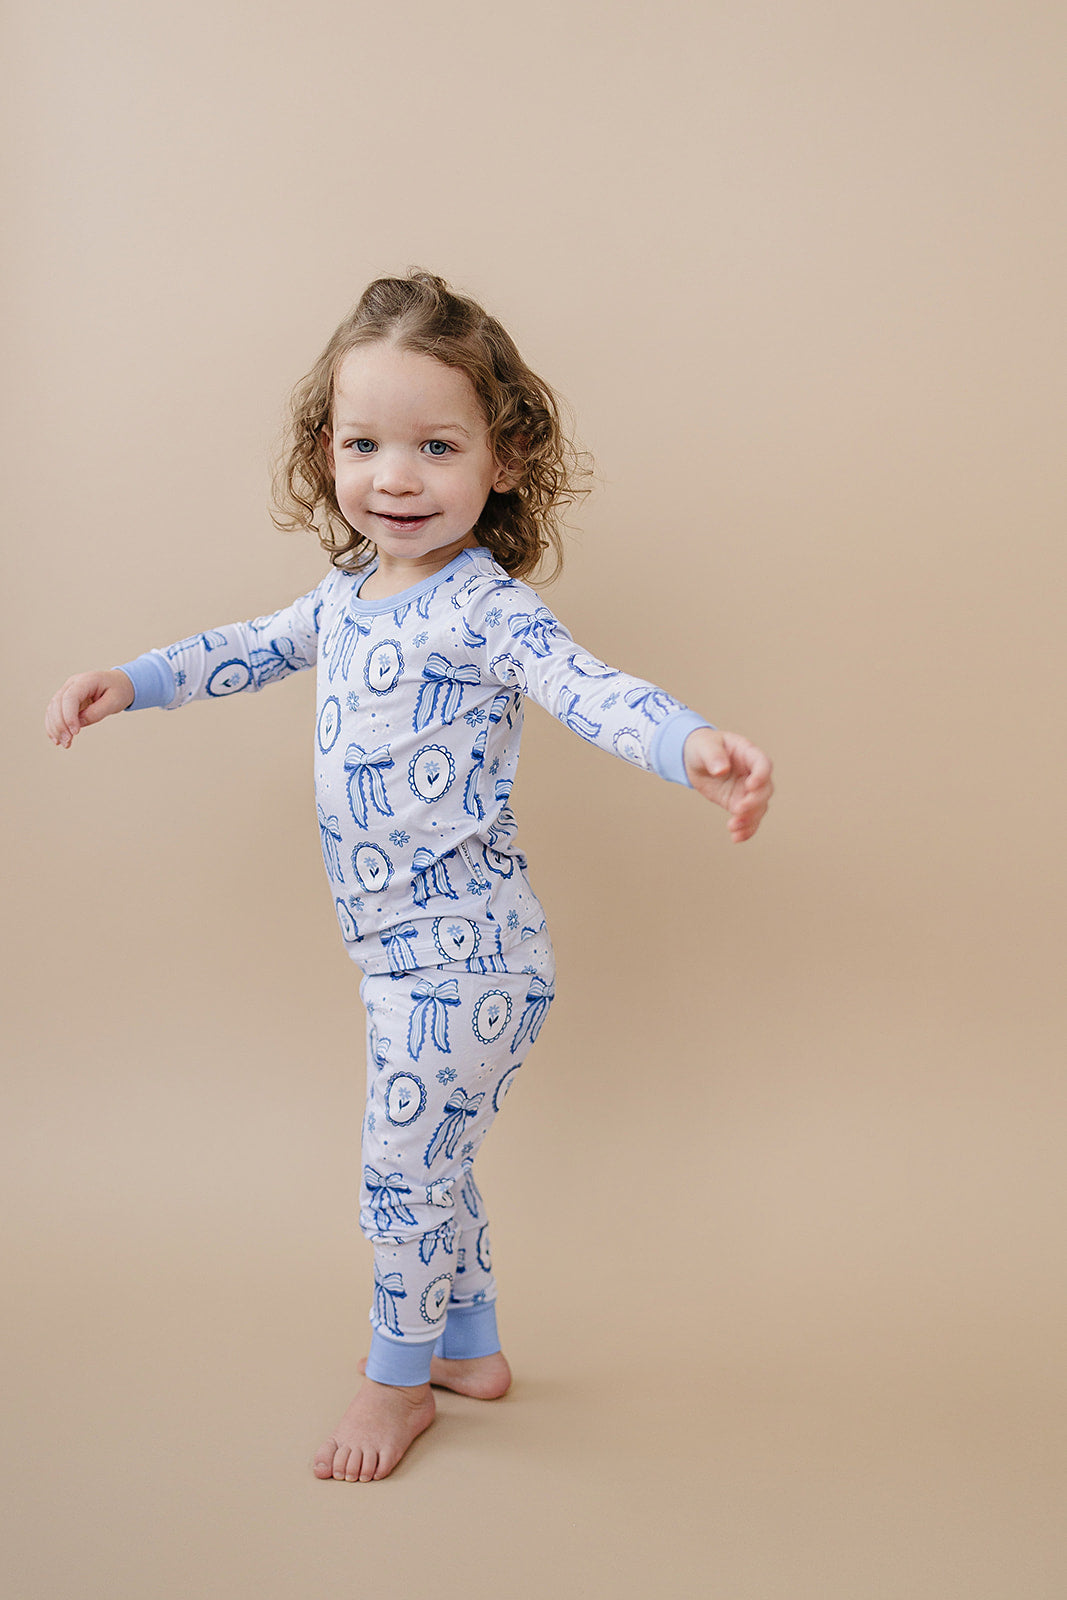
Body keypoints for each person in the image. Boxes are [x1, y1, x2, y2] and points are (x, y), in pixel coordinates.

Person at [44, 270, 773, 1483]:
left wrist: (688, 743)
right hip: (396, 959)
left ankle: (395, 1383)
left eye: (436, 446)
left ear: (503, 459)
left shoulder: (484, 609)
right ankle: (468, 1349)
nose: (394, 477)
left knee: (402, 1167)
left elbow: (588, 688)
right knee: (435, 1158)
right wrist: (131, 680)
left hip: (468, 959)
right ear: (324, 450)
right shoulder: (345, 599)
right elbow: (246, 648)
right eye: (363, 444)